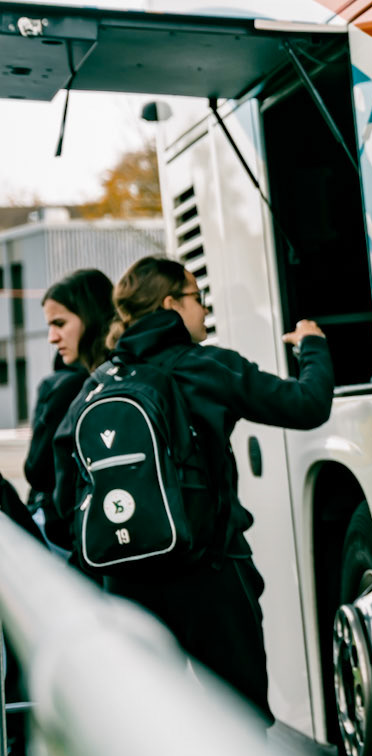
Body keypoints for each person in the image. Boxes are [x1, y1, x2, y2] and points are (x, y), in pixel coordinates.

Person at [54, 256, 333, 722]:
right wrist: (314, 348)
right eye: (197, 299)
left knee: (152, 729)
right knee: (239, 722)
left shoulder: (97, 386)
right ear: (170, 304)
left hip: (127, 583)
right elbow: (306, 406)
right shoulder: (207, 367)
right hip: (211, 577)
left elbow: (67, 497)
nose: (204, 311)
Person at [23, 268, 118, 545]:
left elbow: (36, 471)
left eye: (60, 323)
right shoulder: (123, 373)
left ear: (90, 315)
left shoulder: (72, 386)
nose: (52, 338)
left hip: (81, 538)